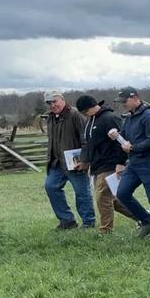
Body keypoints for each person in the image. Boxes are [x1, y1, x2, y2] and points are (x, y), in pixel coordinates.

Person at [113, 87, 150, 238]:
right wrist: (117, 137)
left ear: (135, 98)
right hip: (134, 163)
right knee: (122, 193)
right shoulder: (129, 118)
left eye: (125, 101)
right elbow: (124, 139)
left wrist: (133, 148)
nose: (123, 104)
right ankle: (146, 220)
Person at [76, 94, 134, 234]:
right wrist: (84, 161)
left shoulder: (110, 118)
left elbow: (121, 141)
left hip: (110, 164)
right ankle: (143, 217)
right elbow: (88, 144)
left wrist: (120, 162)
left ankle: (106, 230)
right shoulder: (90, 121)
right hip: (96, 165)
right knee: (113, 200)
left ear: (92, 106)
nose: (85, 114)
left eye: (85, 111)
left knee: (101, 197)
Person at [44, 90, 95, 230]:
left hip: (76, 162)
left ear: (62, 100)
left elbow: (86, 138)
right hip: (57, 163)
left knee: (82, 192)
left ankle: (88, 222)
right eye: (49, 103)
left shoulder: (75, 114)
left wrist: (85, 160)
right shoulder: (50, 118)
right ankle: (67, 221)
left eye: (54, 101)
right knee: (51, 187)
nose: (52, 105)